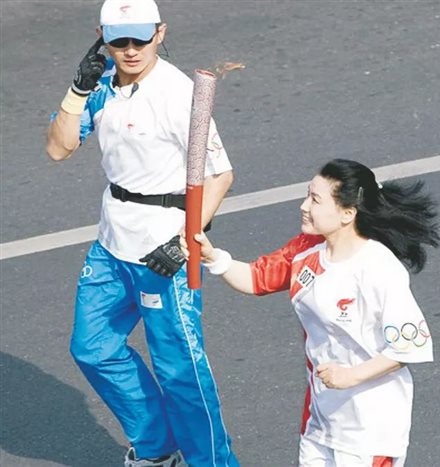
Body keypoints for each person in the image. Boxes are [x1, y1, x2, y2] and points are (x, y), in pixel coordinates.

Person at [45, 0, 239, 466]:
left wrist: (185, 240)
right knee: (92, 349)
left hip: (164, 251)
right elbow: (58, 149)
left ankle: (213, 462)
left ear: (160, 33)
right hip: (112, 246)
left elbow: (220, 175)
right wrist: (76, 90)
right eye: (119, 41)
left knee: (180, 372)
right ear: (102, 38)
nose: (131, 50)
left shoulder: (178, 95)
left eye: (141, 39)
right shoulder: (100, 87)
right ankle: (156, 448)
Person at [187, 159, 440, 467]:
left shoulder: (378, 268)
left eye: (316, 200)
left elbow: (411, 346)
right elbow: (256, 278)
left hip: (369, 426)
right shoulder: (307, 249)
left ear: (347, 214)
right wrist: (212, 256)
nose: (304, 206)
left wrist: (351, 375)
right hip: (321, 418)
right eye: (307, 195)